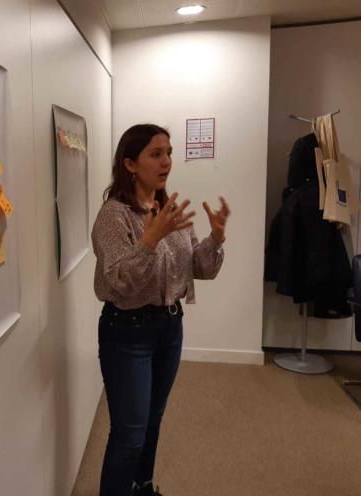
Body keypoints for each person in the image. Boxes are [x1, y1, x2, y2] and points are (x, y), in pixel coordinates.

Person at [91, 124, 229, 496]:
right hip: (127, 332)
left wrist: (215, 239)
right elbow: (119, 281)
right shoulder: (113, 216)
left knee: (152, 422)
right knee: (129, 436)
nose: (167, 161)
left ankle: (143, 487)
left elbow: (199, 269)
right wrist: (149, 241)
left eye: (168, 152)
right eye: (156, 154)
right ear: (130, 164)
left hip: (169, 329)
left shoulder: (167, 210)